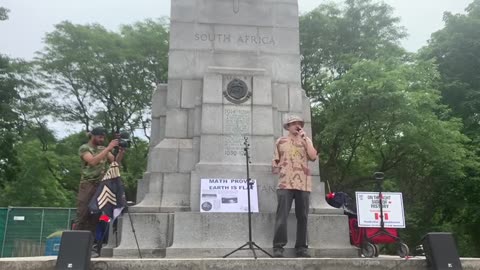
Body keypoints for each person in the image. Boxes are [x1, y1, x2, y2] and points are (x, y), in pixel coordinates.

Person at [272, 115, 318, 258]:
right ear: (288, 126)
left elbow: (313, 156)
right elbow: (274, 163)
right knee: (282, 216)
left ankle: (301, 248)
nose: (296, 126)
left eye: (299, 124)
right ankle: (278, 247)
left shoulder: (306, 141)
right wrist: (277, 167)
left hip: (303, 184)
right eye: (293, 124)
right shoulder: (280, 141)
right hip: (285, 183)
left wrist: (306, 139)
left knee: (302, 216)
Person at [75, 127, 125, 240]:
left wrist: (121, 152)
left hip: (100, 185)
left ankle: (90, 244)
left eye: (103, 137)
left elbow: (115, 162)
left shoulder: (103, 149)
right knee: (83, 213)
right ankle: (76, 241)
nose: (102, 139)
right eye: (99, 137)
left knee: (95, 215)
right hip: (87, 184)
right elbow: (92, 161)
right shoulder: (85, 148)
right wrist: (108, 148)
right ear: (93, 136)